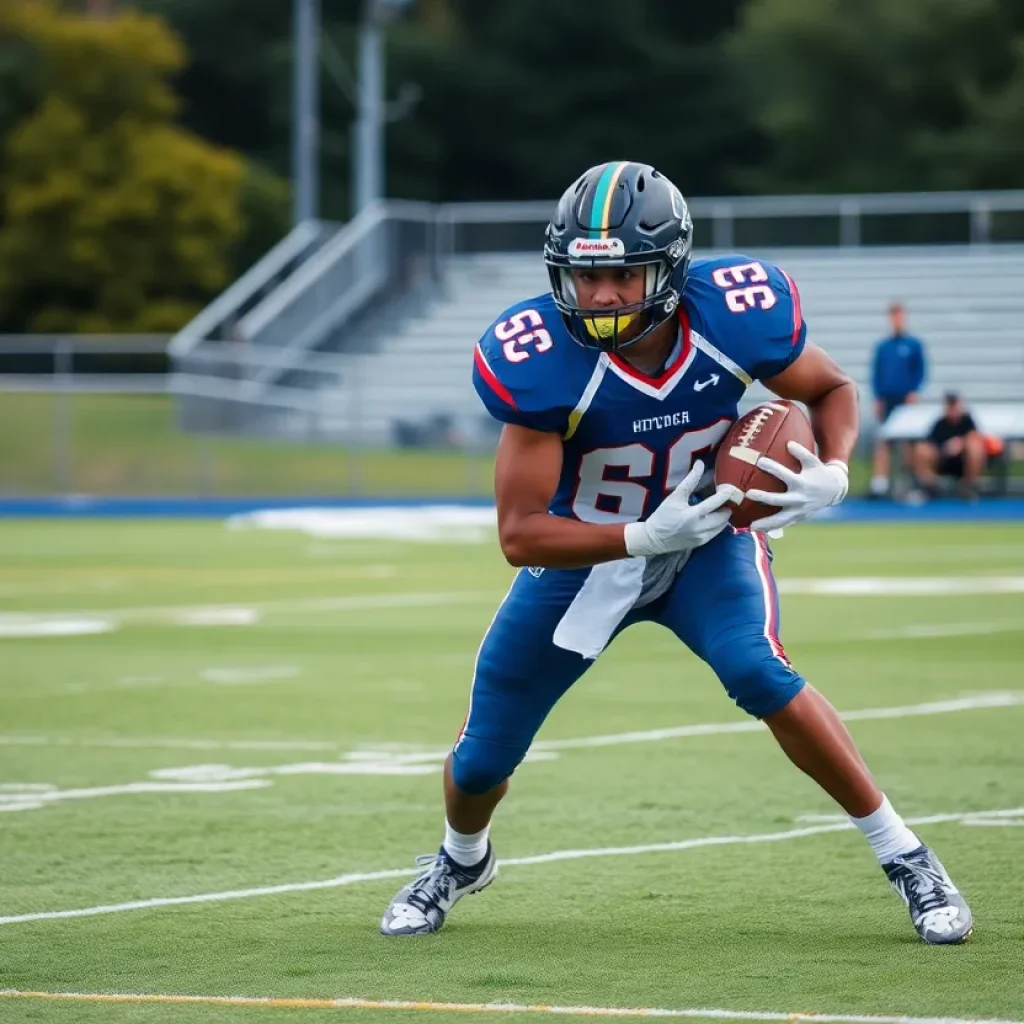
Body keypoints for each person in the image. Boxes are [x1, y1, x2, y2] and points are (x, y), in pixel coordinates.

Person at [379, 162, 972, 945]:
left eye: (622, 274)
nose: (599, 295)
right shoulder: (540, 357)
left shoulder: (731, 318)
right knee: (482, 757)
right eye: (584, 277)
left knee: (759, 670)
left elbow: (830, 390)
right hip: (586, 556)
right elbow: (519, 533)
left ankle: (907, 857)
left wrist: (833, 469)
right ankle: (461, 860)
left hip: (711, 542)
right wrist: (641, 535)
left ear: (669, 265)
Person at [869, 303, 927, 498]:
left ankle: (909, 483)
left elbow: (920, 371)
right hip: (887, 399)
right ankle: (880, 485)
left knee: (907, 444)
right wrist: (877, 397)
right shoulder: (883, 347)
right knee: (883, 442)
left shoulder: (913, 345)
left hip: (905, 400)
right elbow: (876, 374)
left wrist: (914, 391)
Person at [911, 392, 987, 500]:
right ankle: (930, 487)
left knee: (975, 447)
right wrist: (945, 448)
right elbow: (930, 443)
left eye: (954, 405)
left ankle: (969, 486)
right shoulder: (939, 424)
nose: (952, 409)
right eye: (949, 405)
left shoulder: (967, 422)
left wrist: (960, 443)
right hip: (943, 461)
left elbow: (976, 437)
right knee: (921, 449)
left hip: (963, 461)